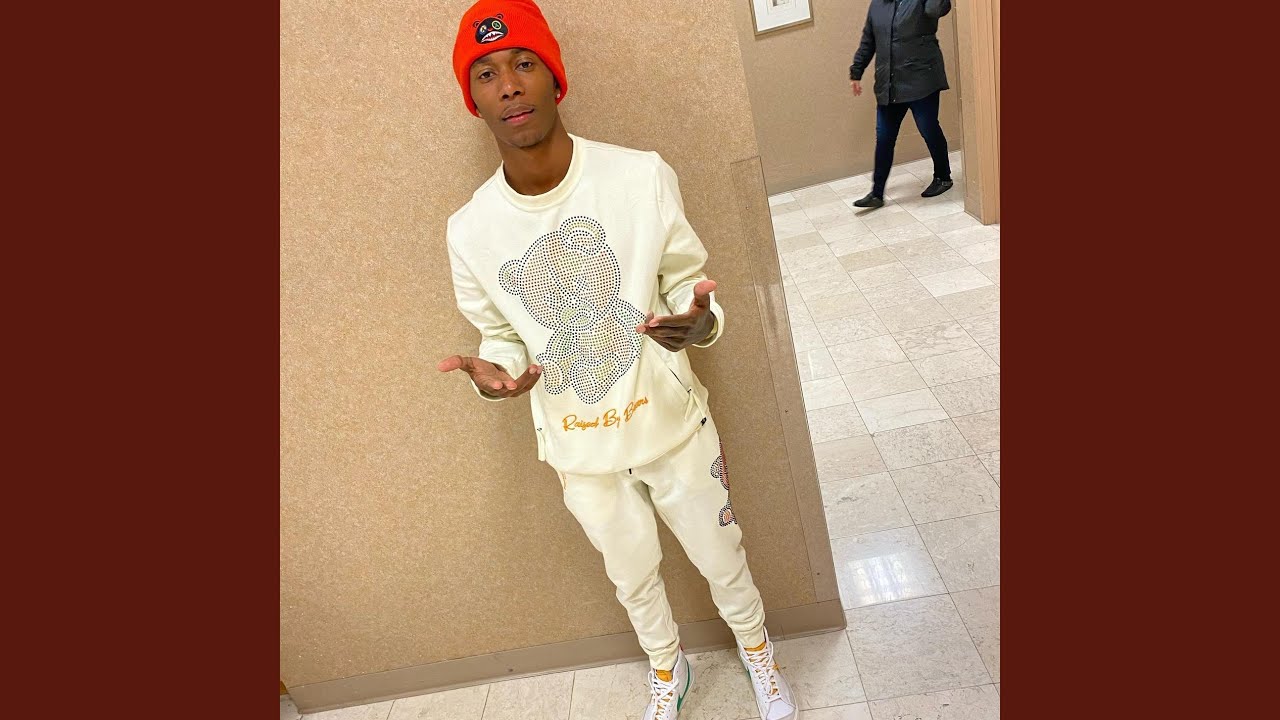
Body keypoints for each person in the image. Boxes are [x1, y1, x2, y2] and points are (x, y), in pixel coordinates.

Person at [437, 2, 799, 719]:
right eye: (486, 73)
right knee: (630, 577)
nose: (508, 84)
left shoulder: (640, 176)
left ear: (554, 77)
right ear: (473, 99)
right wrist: (497, 377)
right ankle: (668, 668)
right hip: (579, 448)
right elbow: (500, 335)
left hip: (670, 426)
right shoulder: (469, 229)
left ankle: (758, 651)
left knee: (722, 557)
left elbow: (691, 289)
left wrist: (700, 325)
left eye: (524, 63)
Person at [848, 0, 955, 209]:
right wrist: (856, 71)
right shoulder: (878, 5)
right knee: (884, 137)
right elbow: (868, 40)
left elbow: (936, 9)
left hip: (921, 78)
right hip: (889, 83)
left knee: (928, 128)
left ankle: (943, 177)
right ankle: (877, 193)